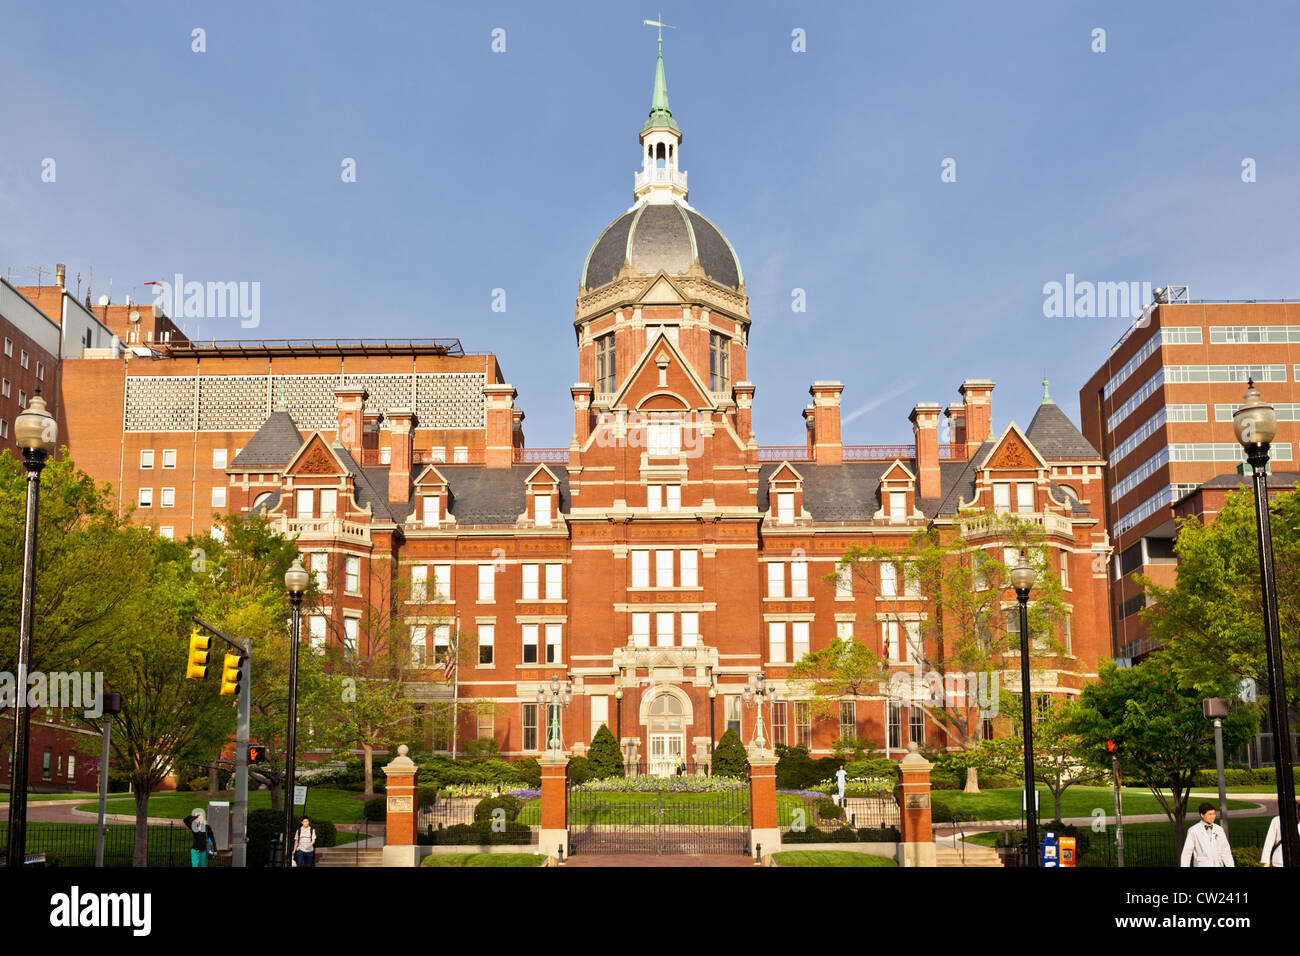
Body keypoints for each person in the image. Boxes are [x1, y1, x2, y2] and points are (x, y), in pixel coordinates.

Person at [1180, 802, 1233, 867]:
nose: (1213, 816)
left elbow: (1225, 851)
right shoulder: (1193, 830)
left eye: (1214, 814)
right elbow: (1187, 853)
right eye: (1210, 814)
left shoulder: (1219, 829)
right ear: (1202, 815)